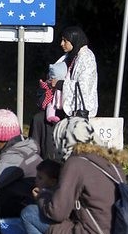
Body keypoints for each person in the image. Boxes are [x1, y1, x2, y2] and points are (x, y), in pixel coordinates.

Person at [33, 118, 128, 234]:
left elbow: (57, 212)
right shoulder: (111, 161)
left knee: (30, 214)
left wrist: (42, 195)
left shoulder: (75, 163)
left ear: (63, 138)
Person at [29, 26, 98, 159]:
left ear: (74, 40)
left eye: (65, 41)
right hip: (66, 104)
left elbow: (84, 87)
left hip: (78, 109)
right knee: (38, 119)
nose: (62, 44)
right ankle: (34, 155)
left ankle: (51, 159)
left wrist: (59, 84)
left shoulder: (87, 58)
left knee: (51, 125)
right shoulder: (73, 56)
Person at [19, 159, 62, 234]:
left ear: (52, 181)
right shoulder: (47, 191)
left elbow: (51, 212)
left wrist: (39, 198)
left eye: (40, 178)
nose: (36, 180)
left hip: (59, 227)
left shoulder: (52, 193)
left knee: (27, 214)